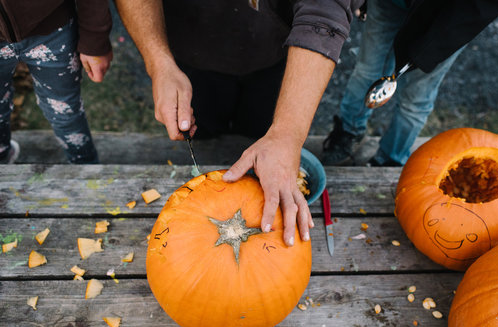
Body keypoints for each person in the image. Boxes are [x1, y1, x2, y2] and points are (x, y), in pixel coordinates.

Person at [115, 0, 353, 246]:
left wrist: (286, 134)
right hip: (189, 48)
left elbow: (325, 9)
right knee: (202, 126)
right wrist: (159, 63)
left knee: (258, 128)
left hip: (277, 50)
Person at [322, 0, 498, 167]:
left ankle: (391, 158)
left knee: (416, 98)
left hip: (445, 20)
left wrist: (436, 44)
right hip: (390, 3)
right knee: (366, 71)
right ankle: (348, 132)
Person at [0, 0, 113, 165]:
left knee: (65, 109)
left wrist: (95, 38)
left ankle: (85, 167)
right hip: (54, 29)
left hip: (53, 29)